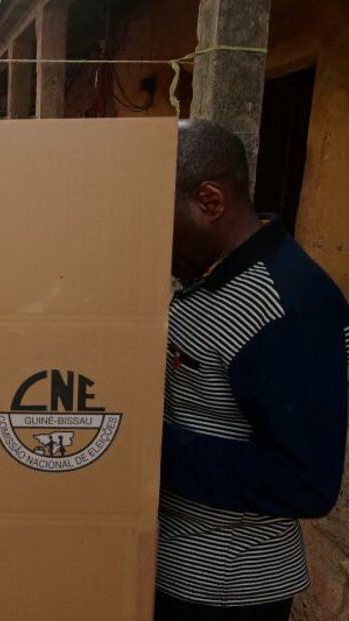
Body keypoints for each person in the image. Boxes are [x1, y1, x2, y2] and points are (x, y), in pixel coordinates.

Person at [156, 119, 348, 621]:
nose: (150, 240)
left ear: (209, 201)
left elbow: (305, 481)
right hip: (176, 564)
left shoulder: (289, 311)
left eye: (157, 219)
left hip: (229, 587)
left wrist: (147, 448)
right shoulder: (208, 274)